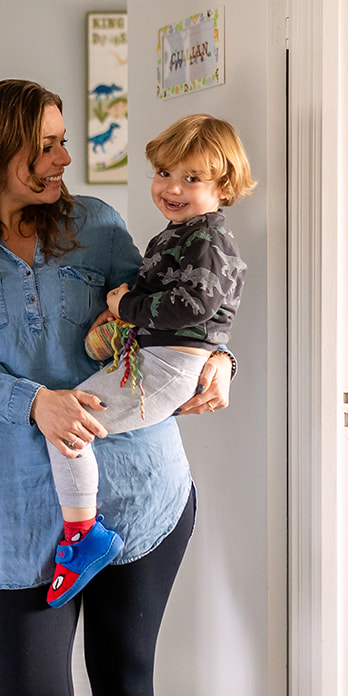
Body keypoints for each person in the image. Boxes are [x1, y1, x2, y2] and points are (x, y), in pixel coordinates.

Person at [0, 79, 234, 696]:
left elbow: (172, 307)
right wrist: (34, 403)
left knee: (122, 681)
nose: (64, 158)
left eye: (62, 141)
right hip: (25, 507)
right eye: (48, 144)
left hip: (139, 492)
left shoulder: (97, 222)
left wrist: (219, 357)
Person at [45, 113, 254, 607]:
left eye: (192, 178)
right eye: (164, 173)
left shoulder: (206, 240)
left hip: (170, 366)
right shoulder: (180, 234)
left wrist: (125, 308)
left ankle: (82, 535)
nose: (172, 187)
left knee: (68, 427)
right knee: (73, 421)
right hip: (160, 358)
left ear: (223, 186)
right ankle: (84, 531)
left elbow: (192, 308)